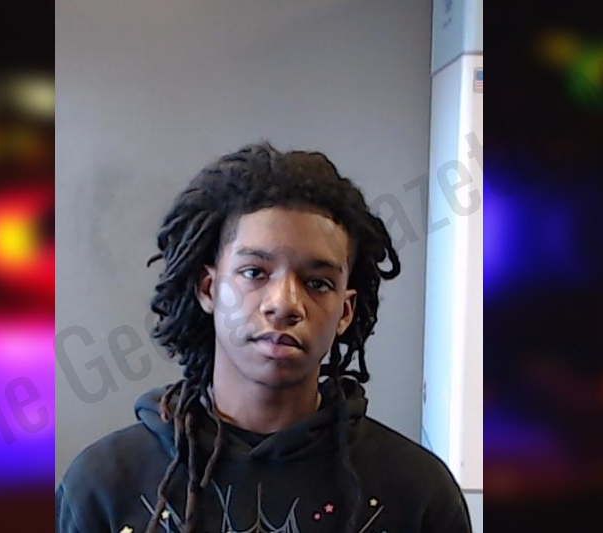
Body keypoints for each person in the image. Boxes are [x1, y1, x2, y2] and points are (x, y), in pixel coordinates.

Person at [55, 143, 471, 533]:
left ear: (345, 312)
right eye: (254, 273)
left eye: (318, 283)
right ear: (208, 289)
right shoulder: (103, 485)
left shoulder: (417, 492)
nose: (285, 303)